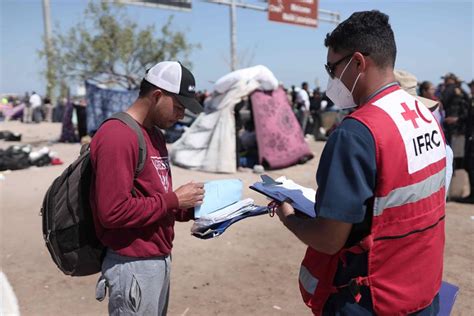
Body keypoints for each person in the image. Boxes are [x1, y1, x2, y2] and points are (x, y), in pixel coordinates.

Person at [274, 11, 445, 315]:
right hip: (423, 294)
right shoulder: (425, 117)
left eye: (332, 67)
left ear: (357, 63)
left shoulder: (356, 133)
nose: (331, 78)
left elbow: (328, 240)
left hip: (371, 300)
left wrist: (289, 216)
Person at [90, 61, 205, 315]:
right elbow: (112, 212)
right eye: (178, 107)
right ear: (157, 96)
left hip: (157, 262)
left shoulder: (154, 134)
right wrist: (173, 201)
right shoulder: (118, 136)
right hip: (133, 265)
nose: (181, 116)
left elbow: (154, 198)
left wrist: (192, 208)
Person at [454, 79, 474, 204]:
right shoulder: (471, 100)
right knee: (469, 166)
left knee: (472, 167)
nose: (471, 89)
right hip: (470, 138)